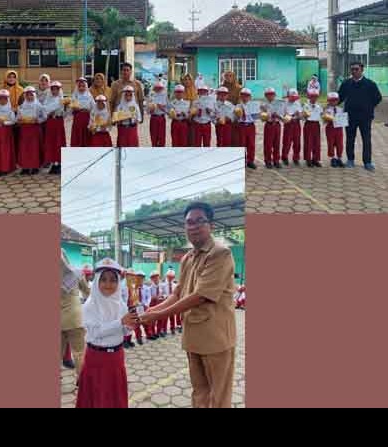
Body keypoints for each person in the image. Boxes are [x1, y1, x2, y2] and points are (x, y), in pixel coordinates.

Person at [138, 202, 237, 408]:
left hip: (216, 338)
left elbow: (201, 296)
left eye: (200, 221)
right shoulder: (187, 258)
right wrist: (153, 309)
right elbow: (178, 292)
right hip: (193, 337)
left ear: (211, 225)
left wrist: (158, 316)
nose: (193, 227)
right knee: (199, 391)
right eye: (189, 222)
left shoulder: (220, 254)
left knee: (219, 396)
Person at [76, 258, 137, 408]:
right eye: (103, 279)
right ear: (97, 281)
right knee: (96, 397)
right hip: (96, 358)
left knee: (115, 397)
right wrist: (120, 322)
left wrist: (131, 325)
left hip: (116, 358)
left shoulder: (120, 304)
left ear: (118, 282)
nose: (108, 284)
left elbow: (124, 331)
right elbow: (96, 332)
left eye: (113, 280)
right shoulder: (90, 305)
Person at [337, 61, 382, 171]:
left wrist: (368, 107)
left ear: (362, 70)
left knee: (366, 139)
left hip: (365, 117)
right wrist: (331, 105)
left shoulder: (370, 84)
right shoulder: (346, 83)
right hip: (350, 116)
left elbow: (378, 98)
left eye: (356, 69)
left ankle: (367, 162)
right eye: (352, 69)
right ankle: (350, 160)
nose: (354, 71)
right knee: (350, 138)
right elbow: (340, 97)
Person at [61, 251, 89, 381]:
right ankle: (81, 380)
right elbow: (87, 292)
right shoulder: (76, 273)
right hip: (75, 319)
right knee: (79, 352)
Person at [16, 86, 46, 175]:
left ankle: (35, 166)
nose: (29, 97)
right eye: (27, 95)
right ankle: (25, 167)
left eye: (31, 95)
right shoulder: (21, 106)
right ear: (25, 96)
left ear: (34, 95)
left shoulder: (39, 106)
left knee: (34, 148)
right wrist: (19, 120)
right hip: (24, 130)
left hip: (35, 129)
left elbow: (44, 117)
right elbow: (18, 117)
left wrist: (38, 120)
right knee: (24, 148)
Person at [0, 89, 17, 176]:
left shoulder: (10, 110)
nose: (2, 101)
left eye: (5, 99)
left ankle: (6, 168)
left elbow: (13, 121)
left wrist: (4, 122)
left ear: (7, 100)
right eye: (0, 99)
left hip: (6, 132)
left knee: (5, 150)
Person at [42, 81, 66, 175]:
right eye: (53, 89)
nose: (55, 91)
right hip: (50, 122)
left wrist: (54, 109)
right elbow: (44, 109)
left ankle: (59, 163)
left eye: (57, 89)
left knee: (58, 142)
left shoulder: (62, 99)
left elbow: (64, 113)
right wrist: (50, 110)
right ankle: (53, 163)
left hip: (58, 122)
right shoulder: (48, 99)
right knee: (51, 142)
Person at [235, 88, 259, 169]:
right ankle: (242, 161)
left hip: (251, 126)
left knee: (251, 144)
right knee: (241, 144)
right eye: (243, 95)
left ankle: (250, 161)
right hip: (242, 126)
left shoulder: (253, 105)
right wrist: (238, 115)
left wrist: (259, 112)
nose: (245, 97)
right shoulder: (238, 106)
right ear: (240, 96)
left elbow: (256, 116)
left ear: (250, 97)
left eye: (247, 96)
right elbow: (235, 118)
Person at [260, 87, 283, 169]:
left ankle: (276, 160)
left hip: (277, 124)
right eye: (268, 95)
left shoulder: (279, 103)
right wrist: (266, 114)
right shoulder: (263, 105)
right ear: (265, 96)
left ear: (275, 95)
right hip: (269, 125)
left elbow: (282, 115)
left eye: (272, 94)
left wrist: (278, 115)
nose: (270, 96)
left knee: (277, 143)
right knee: (268, 144)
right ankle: (268, 160)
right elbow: (262, 118)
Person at [281, 88, 303, 166]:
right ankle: (284, 157)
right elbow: (282, 115)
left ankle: (296, 158)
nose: (294, 99)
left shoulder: (298, 103)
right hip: (288, 124)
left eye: (295, 97)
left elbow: (300, 115)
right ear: (288, 96)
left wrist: (299, 115)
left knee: (297, 142)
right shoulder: (284, 104)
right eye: (292, 97)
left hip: (296, 124)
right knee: (287, 142)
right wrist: (288, 116)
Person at [322, 92, 345, 167]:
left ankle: (339, 158)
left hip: (339, 129)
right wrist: (326, 117)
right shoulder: (326, 109)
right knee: (331, 143)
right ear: (328, 101)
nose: (333, 102)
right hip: (330, 128)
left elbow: (343, 119)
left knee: (339, 143)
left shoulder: (340, 109)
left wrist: (345, 119)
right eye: (331, 100)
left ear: (338, 100)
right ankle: (333, 158)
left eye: (335, 100)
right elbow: (324, 121)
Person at [69, 77, 94, 147]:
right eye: (80, 86)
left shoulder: (89, 95)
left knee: (86, 133)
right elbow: (72, 106)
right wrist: (75, 107)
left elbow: (93, 107)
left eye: (83, 86)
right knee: (78, 133)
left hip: (87, 117)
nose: (81, 88)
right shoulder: (75, 95)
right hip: (78, 117)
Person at [302, 89, 323, 168]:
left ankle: (315, 159)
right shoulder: (305, 105)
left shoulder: (319, 105)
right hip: (308, 124)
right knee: (308, 142)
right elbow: (303, 117)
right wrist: (304, 115)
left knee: (316, 142)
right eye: (312, 96)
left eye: (315, 97)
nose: (314, 98)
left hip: (316, 125)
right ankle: (308, 159)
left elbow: (322, 115)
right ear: (309, 97)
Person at [148, 80, 169, 147]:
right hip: (153, 118)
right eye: (157, 87)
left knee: (161, 136)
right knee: (154, 136)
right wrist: (151, 110)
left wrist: (162, 108)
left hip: (161, 118)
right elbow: (147, 110)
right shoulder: (151, 96)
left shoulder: (164, 96)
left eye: (160, 87)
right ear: (154, 88)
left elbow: (168, 110)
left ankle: (161, 148)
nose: (158, 89)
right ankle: (154, 147)